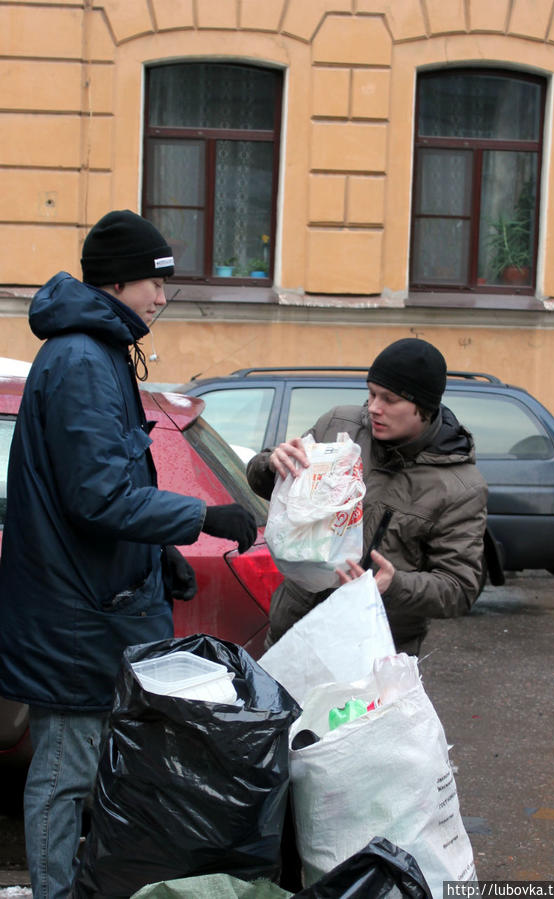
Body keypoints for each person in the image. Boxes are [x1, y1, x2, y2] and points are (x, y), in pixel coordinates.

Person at [0, 210, 257, 899]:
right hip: (74, 616)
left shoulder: (98, 349)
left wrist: (155, 556)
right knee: (63, 771)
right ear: (116, 279)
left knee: (86, 767)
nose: (162, 297)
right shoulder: (84, 358)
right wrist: (202, 515)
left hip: (92, 602)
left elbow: (101, 492)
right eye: (154, 281)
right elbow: (99, 497)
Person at [247, 337, 488, 655]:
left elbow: (459, 588)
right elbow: (268, 486)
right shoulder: (337, 425)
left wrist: (395, 584)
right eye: (372, 393)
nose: (374, 407)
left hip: (373, 656)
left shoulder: (460, 486)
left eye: (389, 399)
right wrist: (271, 464)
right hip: (293, 633)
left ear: (424, 408)